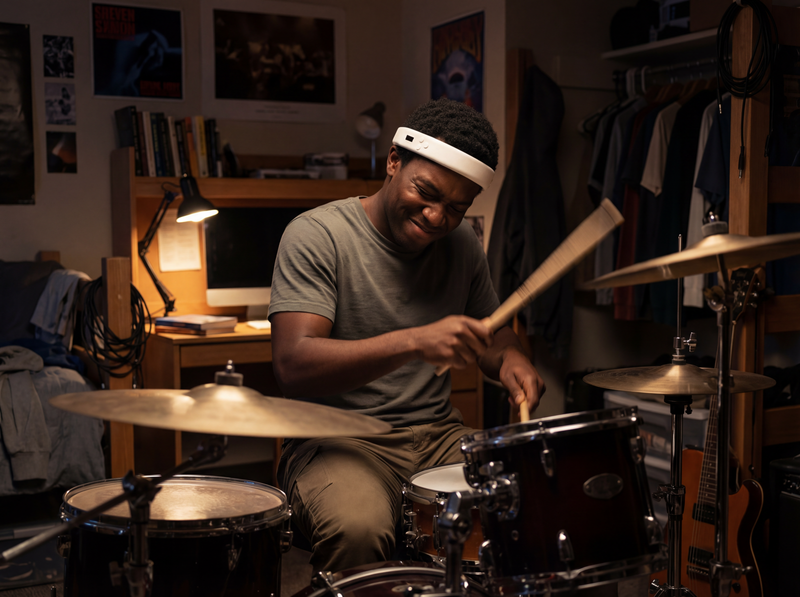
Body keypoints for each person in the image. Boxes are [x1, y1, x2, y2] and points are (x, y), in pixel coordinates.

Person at [268, 98, 544, 575]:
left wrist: (509, 359)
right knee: (359, 529)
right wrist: (414, 342)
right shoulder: (317, 235)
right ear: (394, 161)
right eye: (426, 192)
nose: (437, 217)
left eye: (456, 208)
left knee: (528, 501)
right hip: (338, 440)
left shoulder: (462, 245)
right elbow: (293, 365)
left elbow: (493, 334)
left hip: (438, 435)